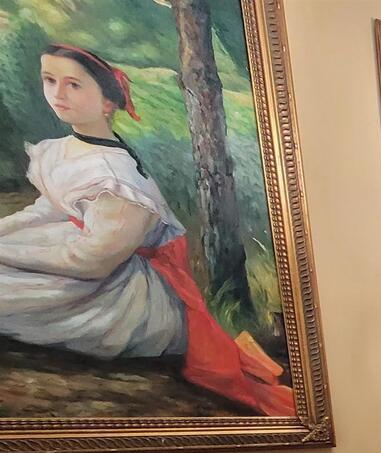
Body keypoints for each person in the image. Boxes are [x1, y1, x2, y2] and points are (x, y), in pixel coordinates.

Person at [0, 44, 293, 416]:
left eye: (73, 85)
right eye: (50, 80)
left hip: (126, 296)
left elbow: (92, 261)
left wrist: (6, 252)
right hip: (91, 264)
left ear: (108, 103)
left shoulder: (114, 176)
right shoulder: (61, 150)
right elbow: (48, 210)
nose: (57, 94)